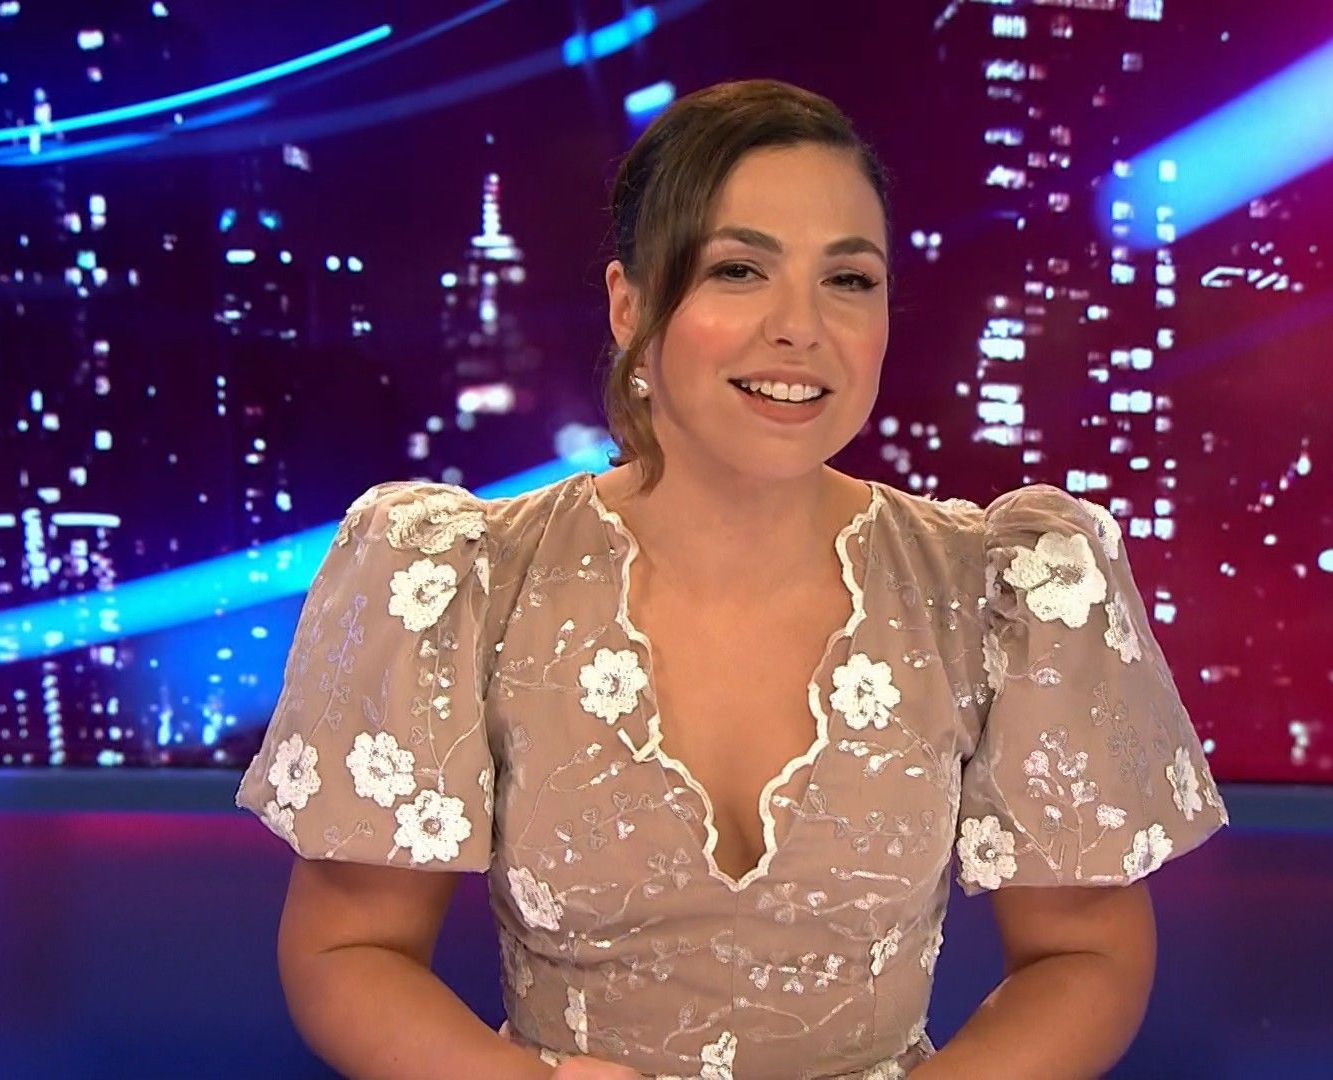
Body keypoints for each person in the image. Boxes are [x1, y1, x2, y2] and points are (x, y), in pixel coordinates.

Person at [236, 78, 1227, 1080]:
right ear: (628, 303)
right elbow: (349, 950)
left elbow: (1083, 955)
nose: (800, 326)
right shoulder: (465, 579)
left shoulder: (1000, 589)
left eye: (849, 280)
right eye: (739, 270)